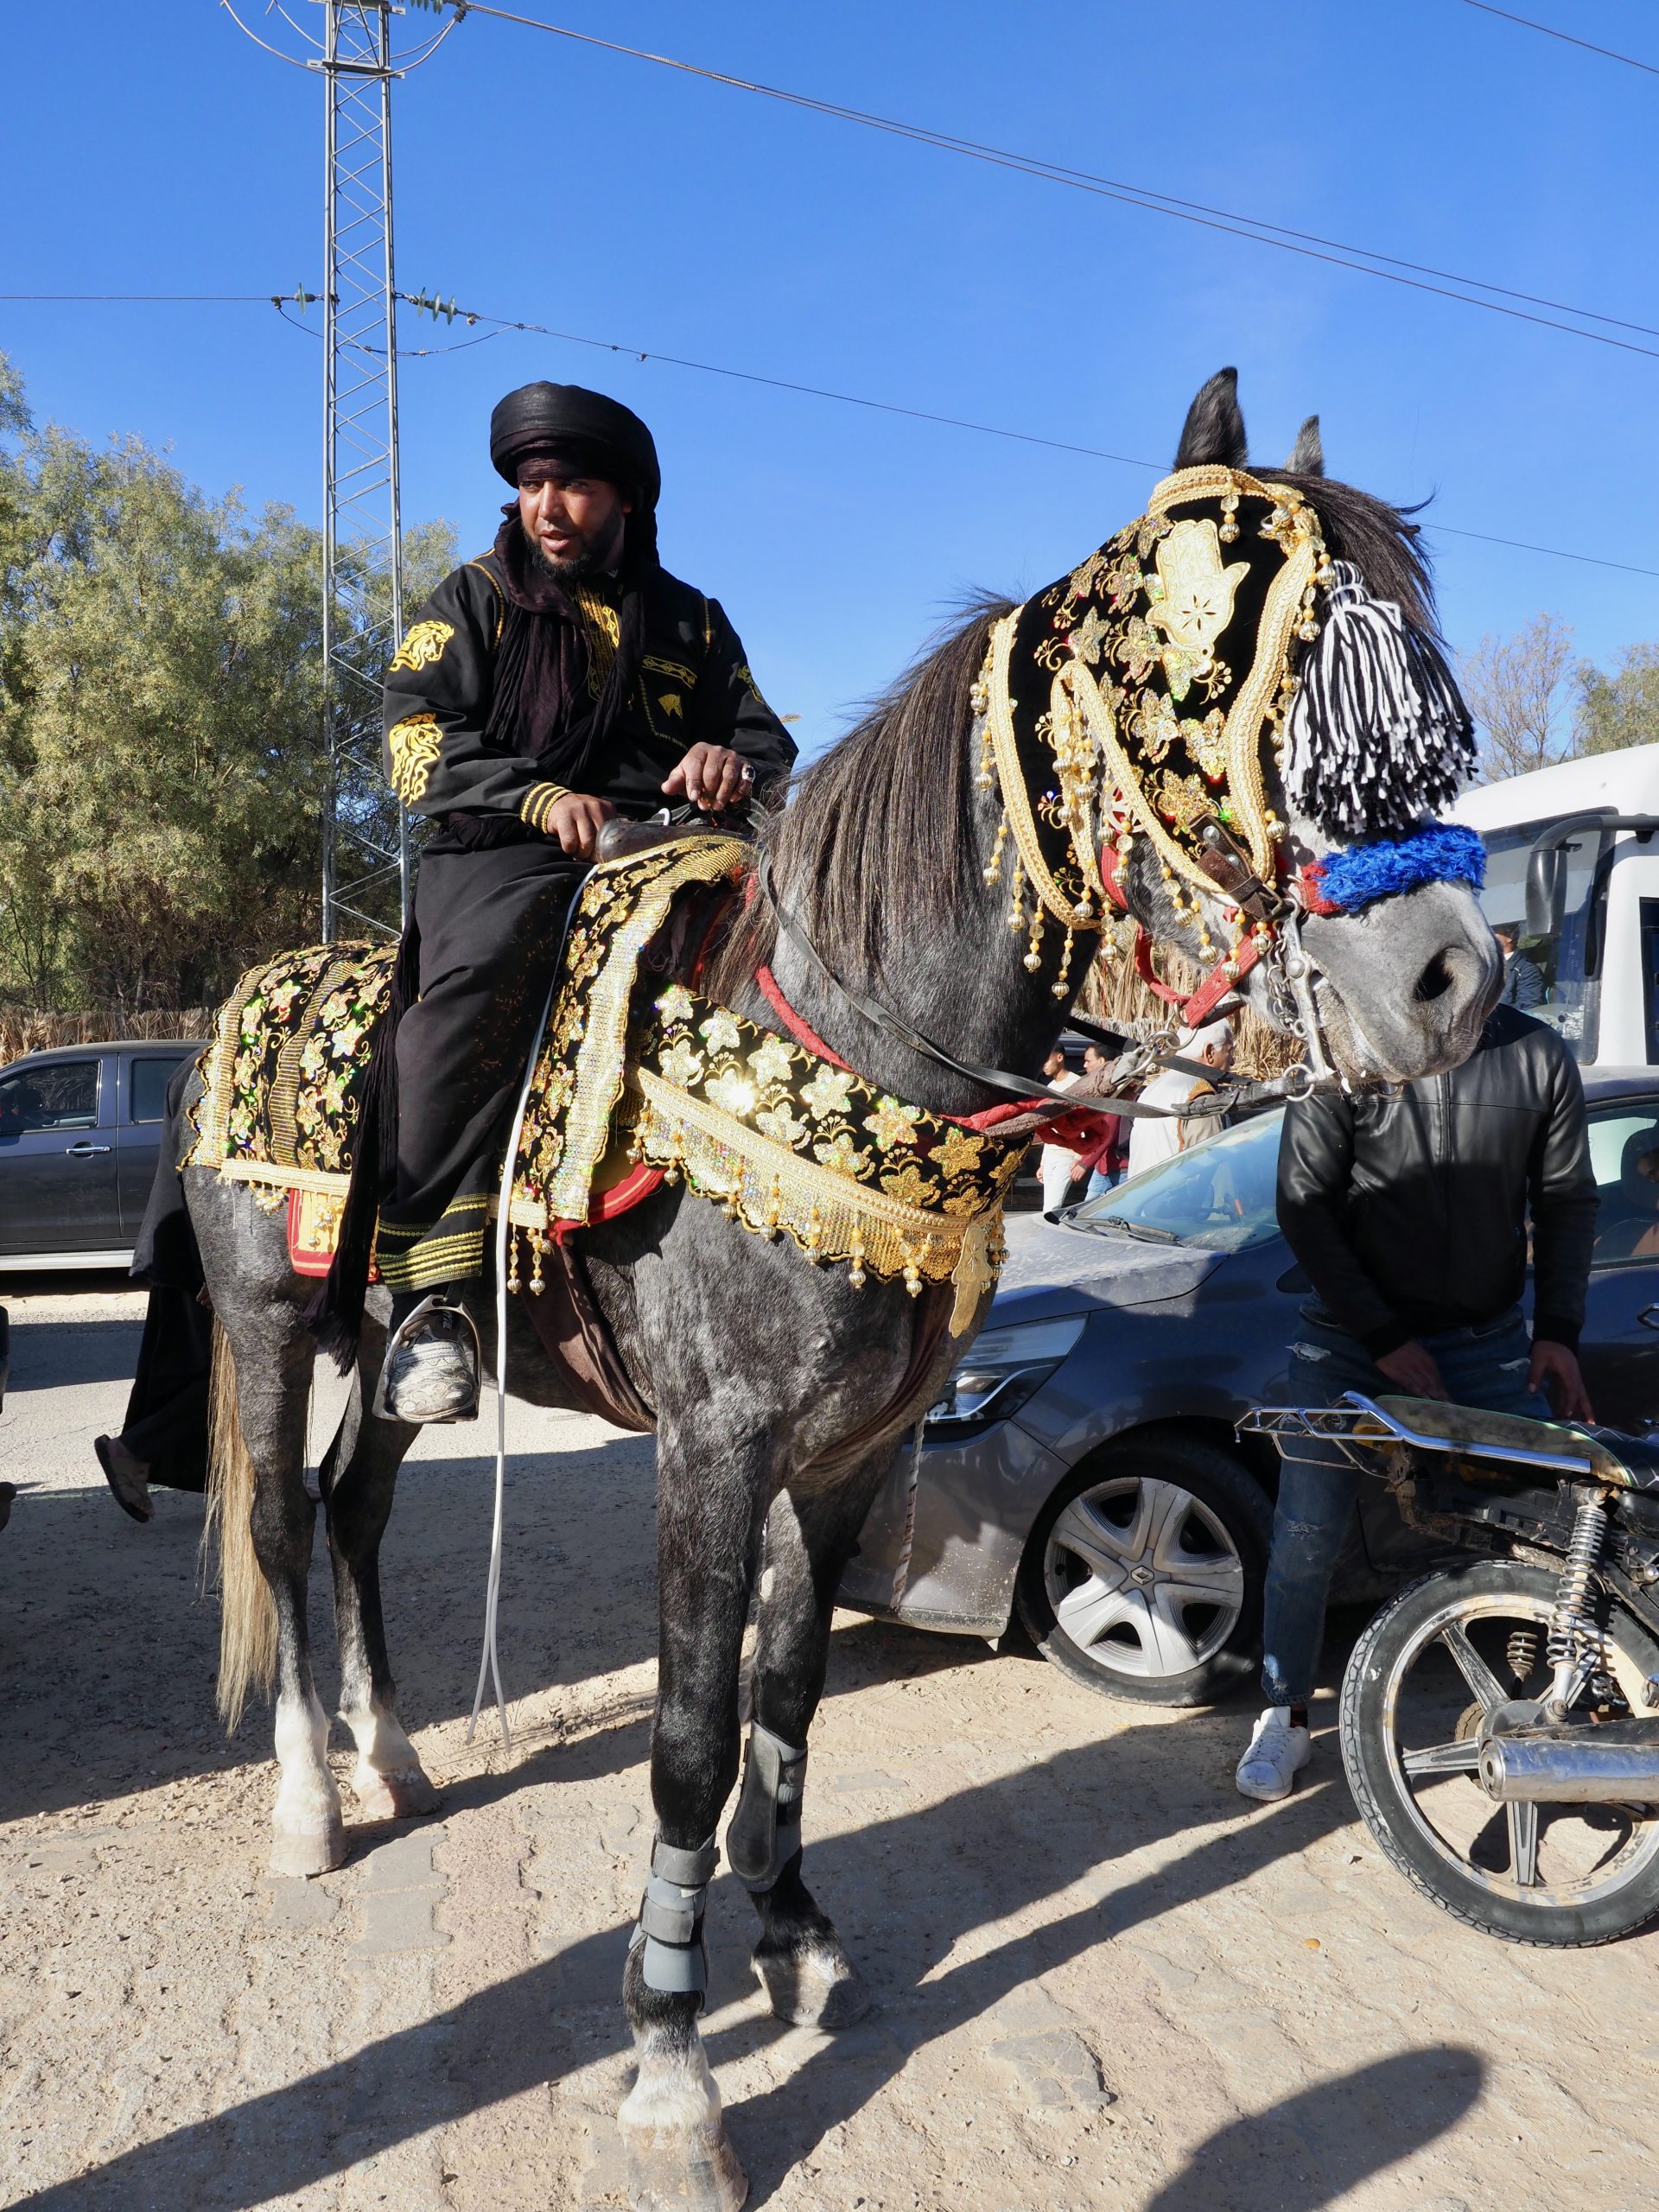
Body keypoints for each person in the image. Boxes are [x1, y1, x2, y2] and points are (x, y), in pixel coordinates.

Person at [375, 382, 796, 1421]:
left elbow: (767, 743)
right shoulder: (469, 600)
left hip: (669, 845)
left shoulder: (694, 620)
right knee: (473, 987)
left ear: (625, 502)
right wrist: (538, 794)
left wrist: (725, 766)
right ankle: (432, 1300)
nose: (548, 505)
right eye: (532, 483)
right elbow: (409, 737)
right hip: (509, 850)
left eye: (572, 484)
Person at [1236, 998, 1599, 1802]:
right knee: (1304, 1537)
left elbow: (1569, 1199)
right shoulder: (1347, 1047)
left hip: (1487, 1345)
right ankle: (1284, 1715)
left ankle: (1571, 1702)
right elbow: (1304, 1203)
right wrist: (1383, 1334)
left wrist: (1561, 1331)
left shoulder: (1537, 1053)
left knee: (1556, 1528)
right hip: (1343, 1346)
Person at [1124, 1017, 1234, 1180]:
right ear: (1209, 1053)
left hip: (1139, 1196)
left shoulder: (1154, 1087)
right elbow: (1209, 1164)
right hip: (1174, 1199)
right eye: (1229, 1051)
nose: (1233, 1060)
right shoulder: (1200, 1094)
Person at [1038, 1047, 1082, 1218]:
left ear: (1060, 1057)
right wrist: (1043, 1162)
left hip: (1068, 1155)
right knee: (1047, 1205)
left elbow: (1083, 1120)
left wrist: (1079, 1157)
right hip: (1051, 1155)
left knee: (1052, 1206)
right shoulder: (1050, 1087)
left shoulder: (1075, 1083)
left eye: (1047, 1060)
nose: (1044, 1066)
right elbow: (1048, 1128)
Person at [1494, 924, 1546, 1011]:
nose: (1488, 936)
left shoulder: (1528, 971)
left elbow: (1529, 1011)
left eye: (1494, 931)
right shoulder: (1488, 967)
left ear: (1510, 936)